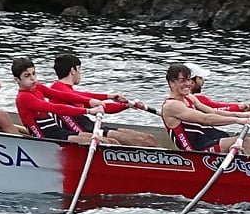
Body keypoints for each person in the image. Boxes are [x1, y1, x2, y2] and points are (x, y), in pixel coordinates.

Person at [14, 51, 159, 147]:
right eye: (27, 76)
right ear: (17, 80)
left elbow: (74, 96)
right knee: (112, 143)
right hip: (48, 138)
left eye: (34, 74)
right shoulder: (25, 97)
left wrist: (119, 102)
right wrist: (89, 109)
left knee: (147, 139)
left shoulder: (39, 87)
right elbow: (55, 108)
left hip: (61, 132)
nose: (33, 79)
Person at [159, 63, 250, 155]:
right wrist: (238, 120)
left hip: (207, 139)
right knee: (245, 142)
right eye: (182, 80)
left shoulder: (189, 97)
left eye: (188, 79)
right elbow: (205, 119)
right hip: (195, 150)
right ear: (171, 83)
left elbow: (213, 111)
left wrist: (241, 115)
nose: (187, 84)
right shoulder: (171, 106)